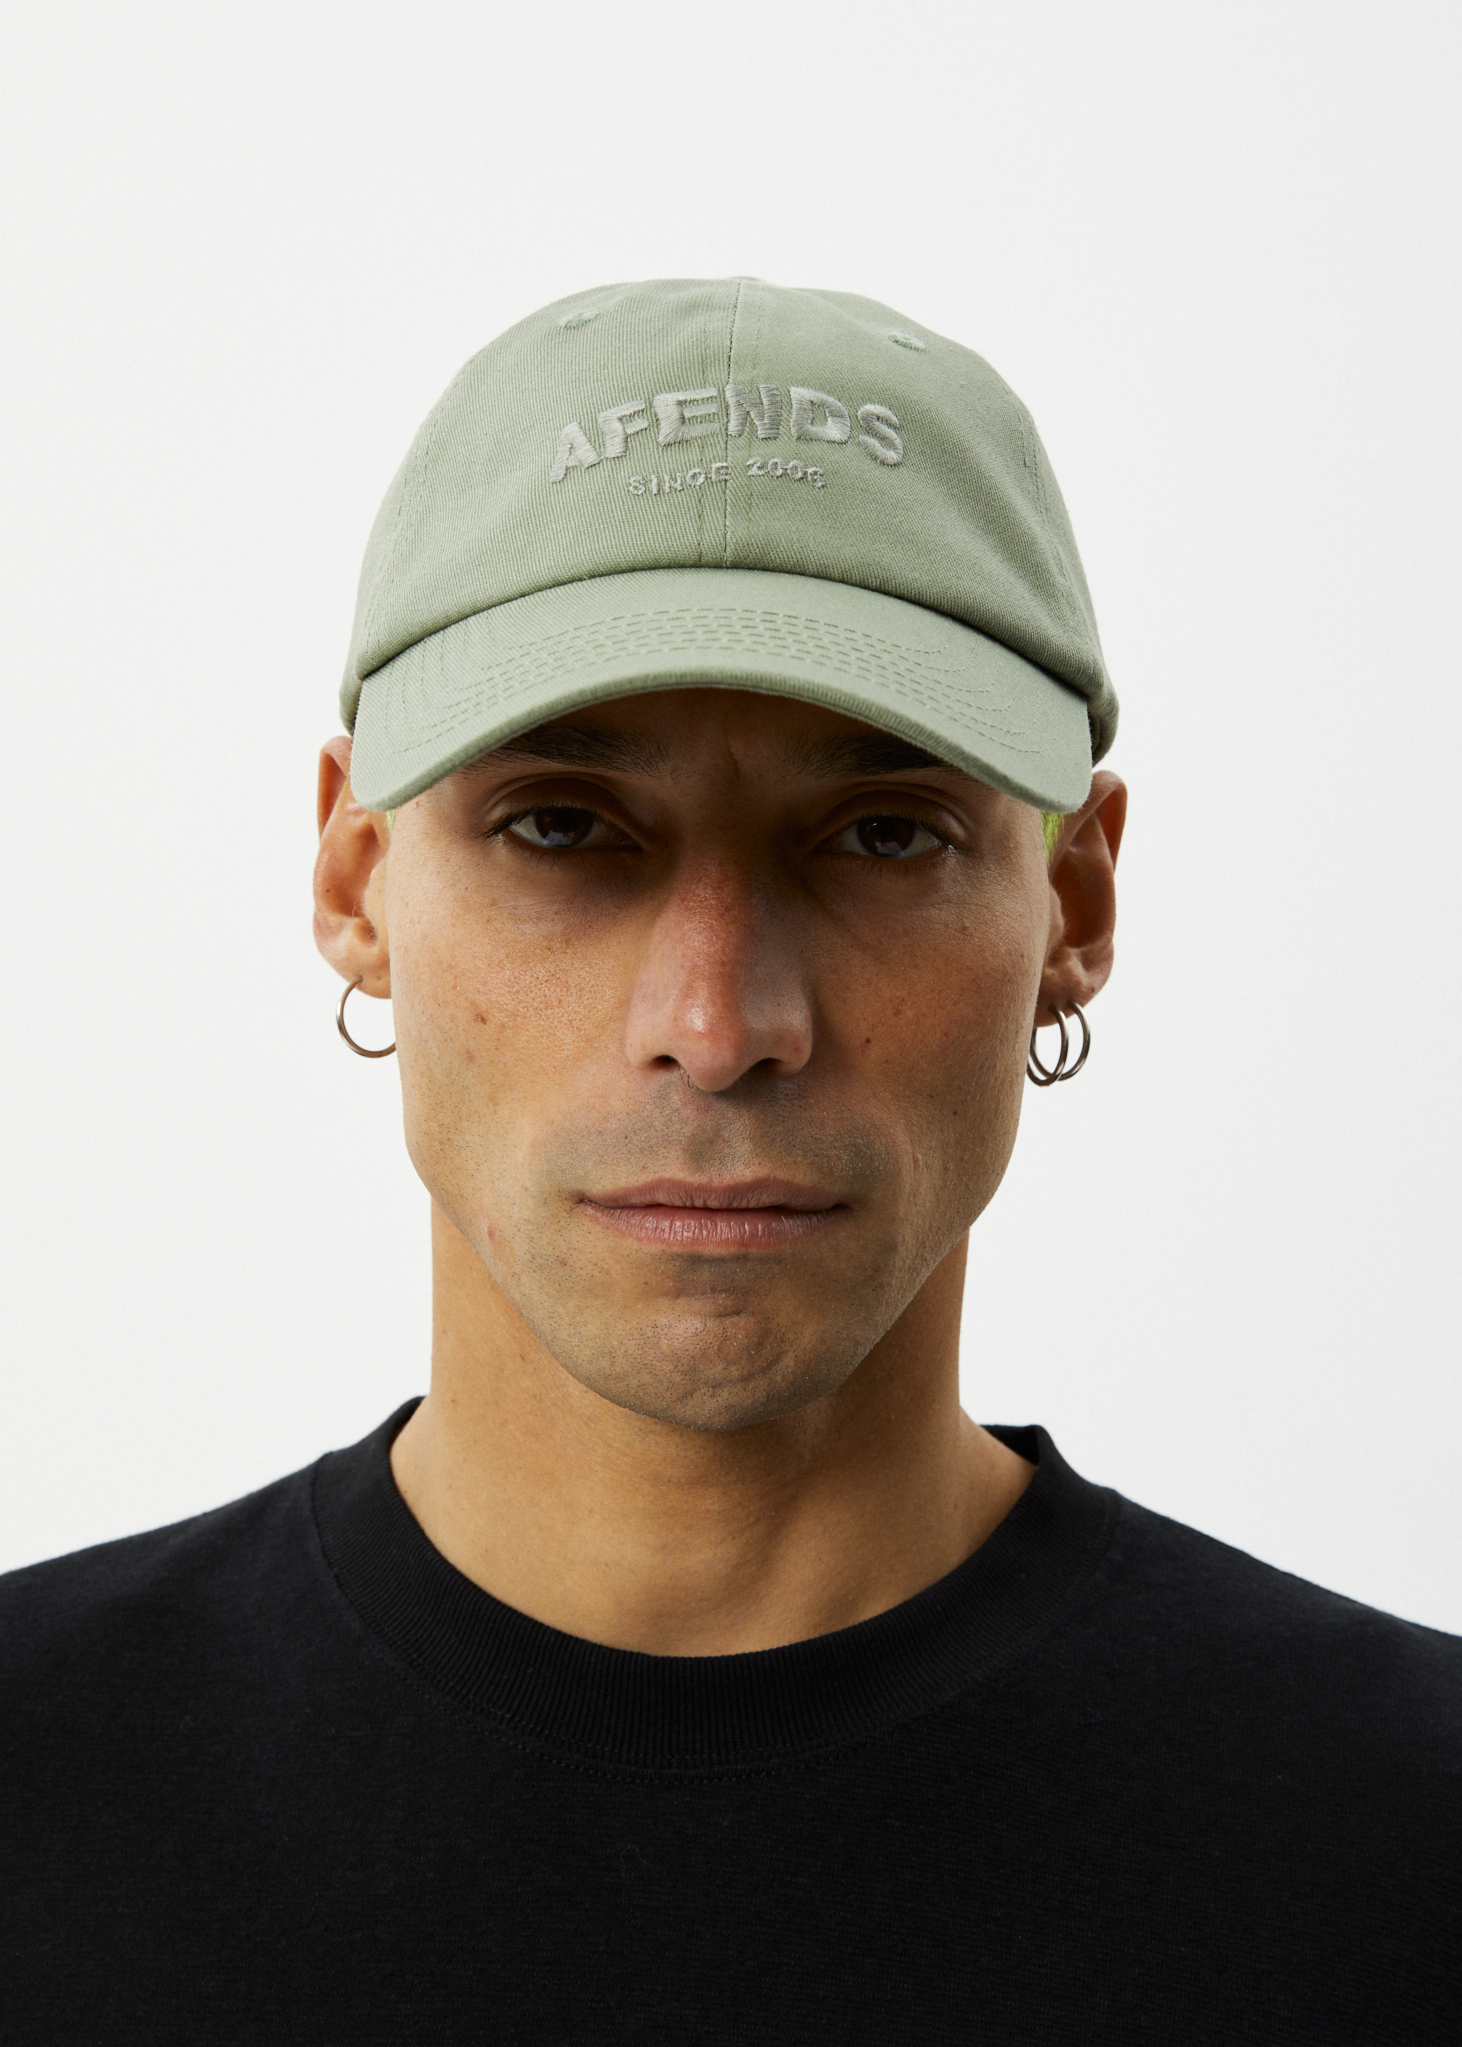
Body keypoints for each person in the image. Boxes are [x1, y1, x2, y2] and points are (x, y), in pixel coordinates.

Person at [1, 279, 1455, 2043]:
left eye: (884, 833)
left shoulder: (1406, 1846)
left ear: (1072, 903)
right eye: (560, 825)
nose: (718, 1022)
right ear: (354, 880)